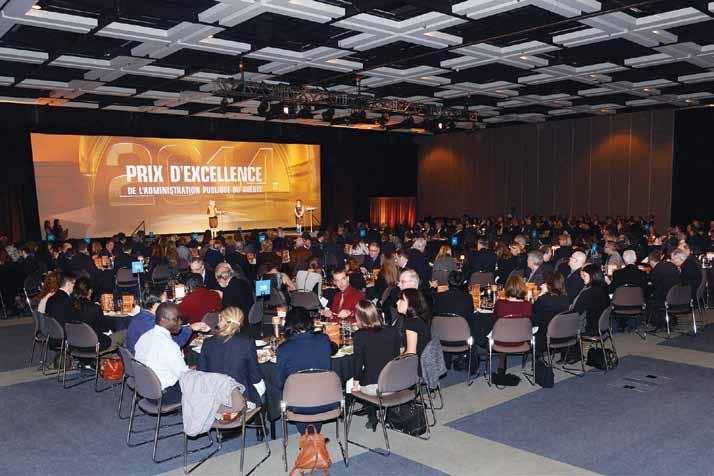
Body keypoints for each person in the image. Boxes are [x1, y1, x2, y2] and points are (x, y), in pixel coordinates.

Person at [276, 307, 333, 433]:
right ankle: (313, 436)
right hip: (326, 398)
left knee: (297, 393)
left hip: (298, 404)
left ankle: (308, 436)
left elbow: (280, 383)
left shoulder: (283, 349)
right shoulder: (323, 340)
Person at [198, 307, 265, 405]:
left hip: (215, 397)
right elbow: (255, 377)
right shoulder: (247, 342)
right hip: (241, 397)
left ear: (221, 319)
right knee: (263, 387)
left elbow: (202, 373)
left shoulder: (207, 343)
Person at [352, 300, 400, 431]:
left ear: (359, 317)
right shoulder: (393, 331)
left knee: (349, 383)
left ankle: (371, 416)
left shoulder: (359, 335)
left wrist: (355, 384)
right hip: (395, 384)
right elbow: (396, 358)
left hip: (375, 388)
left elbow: (358, 365)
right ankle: (387, 413)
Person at [135, 303, 191, 405]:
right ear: (163, 320)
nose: (180, 322)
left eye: (180, 318)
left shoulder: (144, 336)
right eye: (176, 319)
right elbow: (185, 377)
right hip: (162, 396)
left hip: (144, 389)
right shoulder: (169, 346)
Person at [126, 290, 208, 354]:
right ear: (156, 305)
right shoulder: (152, 324)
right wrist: (191, 328)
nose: (169, 303)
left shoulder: (139, 317)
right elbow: (174, 343)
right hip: (149, 366)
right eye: (166, 301)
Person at [492, 276, 532, 373]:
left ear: (507, 287)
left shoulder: (500, 303)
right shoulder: (528, 305)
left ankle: (501, 362)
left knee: (501, 330)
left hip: (501, 340)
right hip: (521, 341)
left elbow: (494, 320)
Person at [71, 276, 112, 352]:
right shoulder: (94, 308)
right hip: (92, 345)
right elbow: (105, 329)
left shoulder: (70, 305)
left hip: (74, 343)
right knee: (120, 335)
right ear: (90, 291)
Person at [532, 271, 569, 354]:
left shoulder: (543, 299)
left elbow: (533, 317)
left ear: (549, 285)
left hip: (545, 337)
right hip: (564, 335)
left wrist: (540, 294)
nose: (541, 285)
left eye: (544, 283)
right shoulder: (566, 298)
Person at [397, 288, 432, 368]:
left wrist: (395, 359)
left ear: (411, 304)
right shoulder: (419, 319)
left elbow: (411, 354)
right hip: (424, 362)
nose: (397, 302)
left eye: (401, 300)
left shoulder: (411, 324)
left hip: (416, 367)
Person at [572, 264, 610, 336]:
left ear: (592, 276)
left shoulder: (588, 293)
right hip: (602, 327)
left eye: (585, 276)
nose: (583, 278)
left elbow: (575, 312)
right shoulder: (604, 289)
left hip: (590, 328)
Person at [648, 250, 681, 330]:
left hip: (665, 299)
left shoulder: (656, 269)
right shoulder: (672, 265)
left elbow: (655, 285)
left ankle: (657, 322)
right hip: (678, 296)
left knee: (649, 297)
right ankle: (670, 320)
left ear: (651, 261)